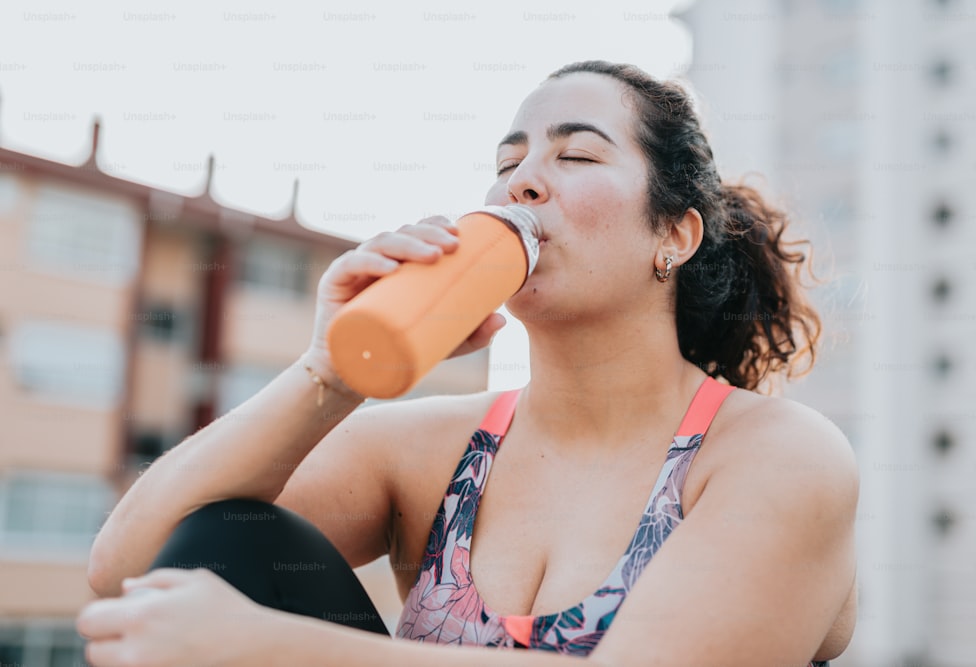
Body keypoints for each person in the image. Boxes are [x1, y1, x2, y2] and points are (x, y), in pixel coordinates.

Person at [77, 60, 859, 667]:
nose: (521, 180)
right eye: (508, 161)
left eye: (577, 154)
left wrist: (271, 647)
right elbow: (128, 570)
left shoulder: (777, 456)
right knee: (234, 532)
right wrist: (330, 374)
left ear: (675, 237)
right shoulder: (423, 451)